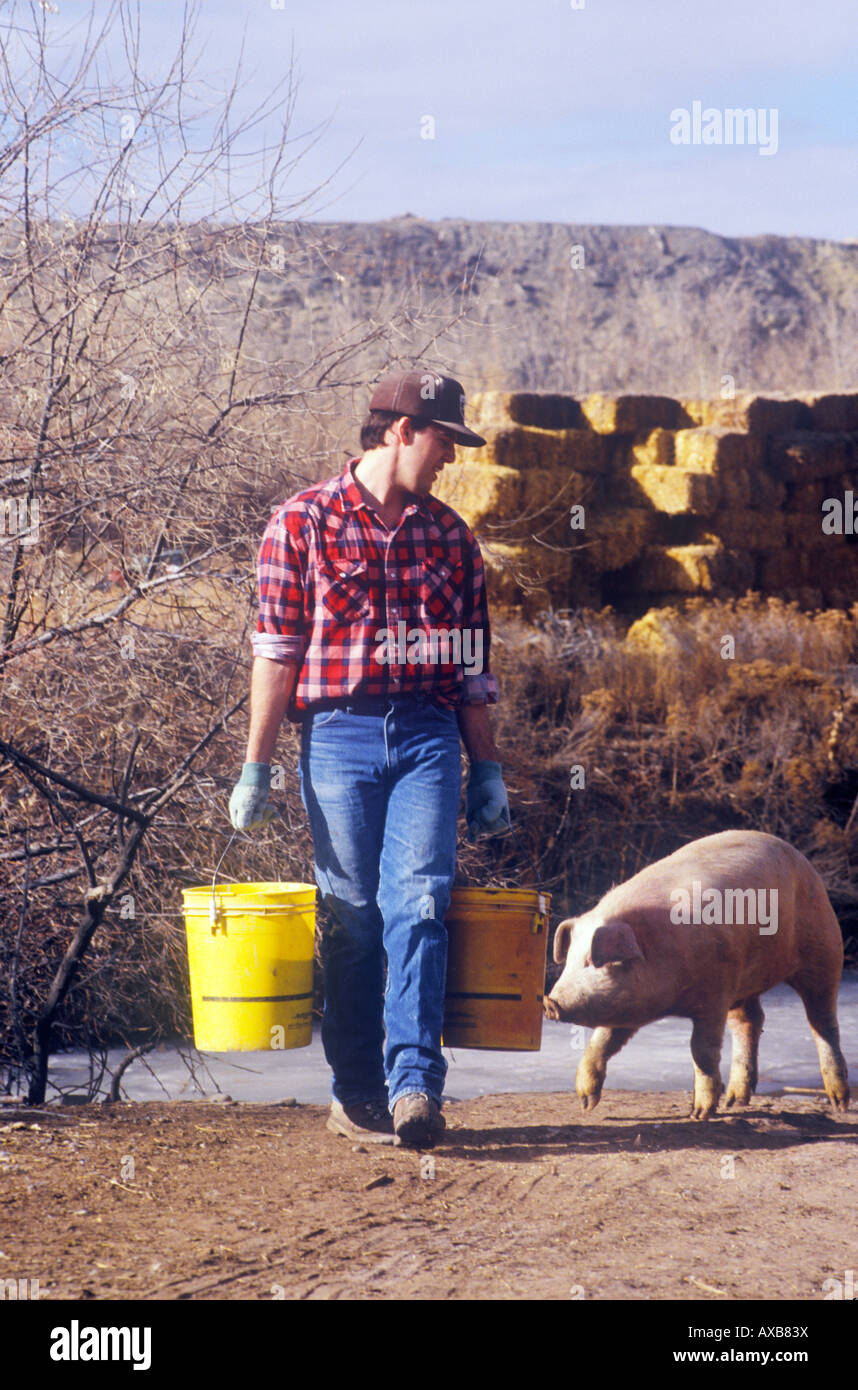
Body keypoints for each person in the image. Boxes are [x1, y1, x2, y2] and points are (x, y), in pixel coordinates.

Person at [229, 370, 511, 1148]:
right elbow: (277, 653)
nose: (451, 458)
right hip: (338, 736)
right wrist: (256, 764)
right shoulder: (300, 523)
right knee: (352, 918)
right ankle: (356, 1090)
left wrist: (484, 766)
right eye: (444, 441)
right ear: (400, 431)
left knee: (418, 903)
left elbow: (471, 671)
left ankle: (416, 1084)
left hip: (427, 733)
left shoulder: (452, 538)